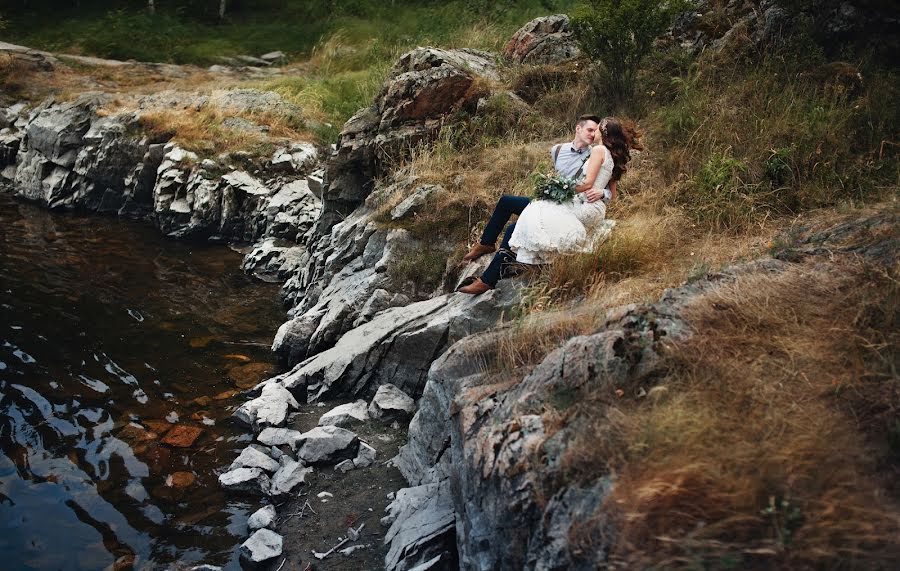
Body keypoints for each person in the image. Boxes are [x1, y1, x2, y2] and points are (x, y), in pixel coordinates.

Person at [458, 116, 642, 294]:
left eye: (597, 128)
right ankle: (488, 270)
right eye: (590, 129)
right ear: (578, 129)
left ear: (604, 131)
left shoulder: (597, 151)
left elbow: (587, 184)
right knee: (515, 220)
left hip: (579, 203)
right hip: (591, 208)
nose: (593, 133)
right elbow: (609, 191)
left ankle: (488, 279)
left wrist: (559, 188)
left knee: (523, 221)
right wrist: (600, 191)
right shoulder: (609, 156)